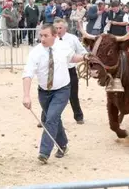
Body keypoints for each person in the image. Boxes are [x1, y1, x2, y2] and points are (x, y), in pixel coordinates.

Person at [22, 24, 89, 164]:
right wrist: (26, 95)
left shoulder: (63, 47)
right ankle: (63, 144)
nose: (42, 38)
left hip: (62, 90)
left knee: (51, 119)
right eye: (41, 35)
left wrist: (84, 57)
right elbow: (27, 74)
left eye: (46, 35)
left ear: (55, 36)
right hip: (44, 92)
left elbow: (72, 58)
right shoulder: (36, 52)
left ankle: (44, 152)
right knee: (54, 119)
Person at [38, 18, 87, 126]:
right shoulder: (51, 40)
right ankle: (45, 119)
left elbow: (82, 52)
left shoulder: (73, 39)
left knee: (73, 95)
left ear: (66, 28)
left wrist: (84, 57)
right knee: (50, 94)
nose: (58, 30)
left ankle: (79, 116)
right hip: (55, 71)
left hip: (70, 70)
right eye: (56, 28)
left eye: (60, 28)